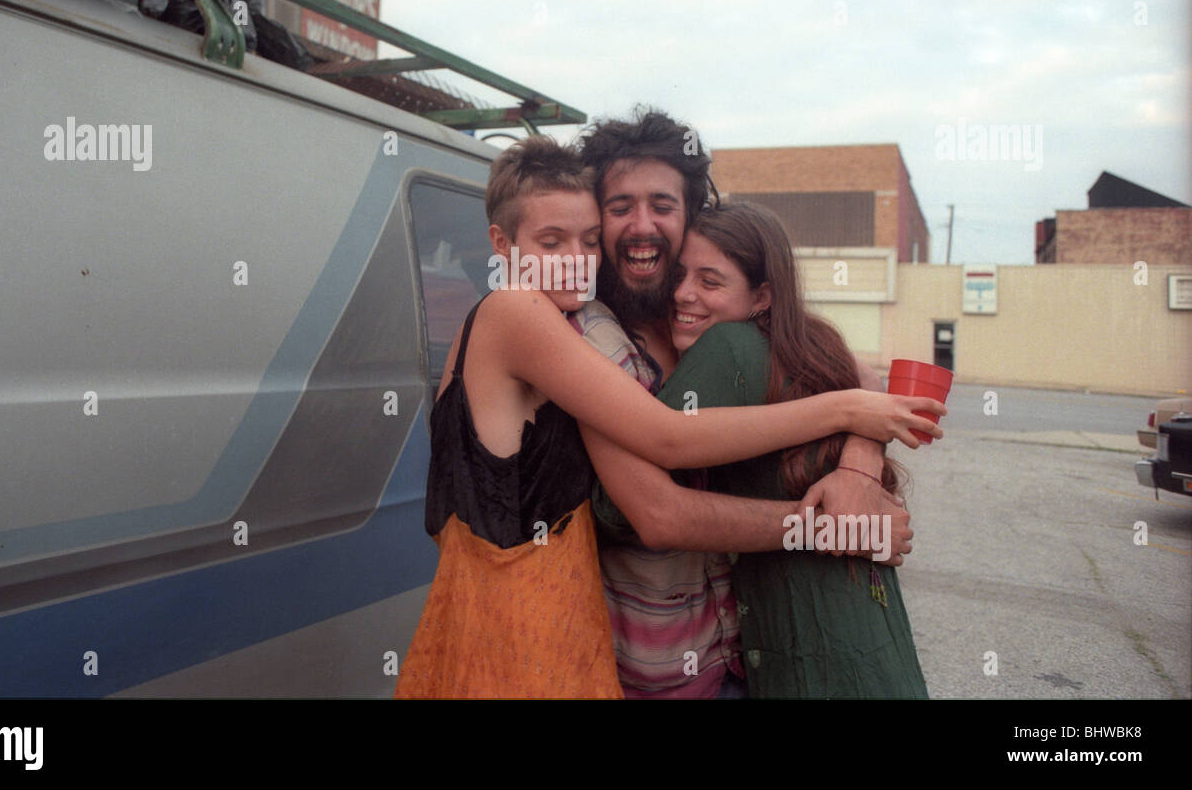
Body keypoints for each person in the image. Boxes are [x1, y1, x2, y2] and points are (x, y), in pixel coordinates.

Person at [394, 137, 942, 698]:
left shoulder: (681, 313)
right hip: (532, 627)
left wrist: (857, 467)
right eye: (552, 241)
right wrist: (835, 513)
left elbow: (840, 364)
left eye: (585, 240)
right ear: (502, 243)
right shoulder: (541, 317)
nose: (577, 259)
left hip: (629, 630)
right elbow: (666, 450)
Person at [577, 108, 910, 698]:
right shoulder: (589, 338)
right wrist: (831, 525)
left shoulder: (711, 324)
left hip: (739, 656)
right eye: (619, 206)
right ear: (594, 219)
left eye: (662, 205)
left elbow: (859, 380)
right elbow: (649, 513)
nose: (641, 225)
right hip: (650, 668)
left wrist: (859, 465)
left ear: (690, 216)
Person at [663, 201, 928, 697]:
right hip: (881, 661)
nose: (683, 293)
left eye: (710, 281)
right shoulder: (815, 343)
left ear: (762, 295)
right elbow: (869, 388)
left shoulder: (726, 346)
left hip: (817, 671)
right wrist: (855, 478)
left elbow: (621, 508)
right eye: (678, 275)